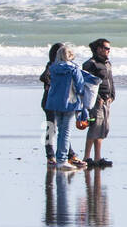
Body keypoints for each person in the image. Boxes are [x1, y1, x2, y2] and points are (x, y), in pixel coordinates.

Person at [43, 44, 90, 171]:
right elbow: (80, 87)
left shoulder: (53, 68)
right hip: (69, 102)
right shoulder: (73, 69)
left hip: (54, 103)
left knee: (58, 130)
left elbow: (48, 81)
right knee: (66, 132)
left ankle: (58, 158)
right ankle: (62, 159)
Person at [81, 38, 115, 168]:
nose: (108, 51)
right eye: (106, 48)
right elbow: (88, 84)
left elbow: (110, 81)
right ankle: (87, 157)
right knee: (94, 126)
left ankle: (98, 157)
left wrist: (112, 95)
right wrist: (97, 98)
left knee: (102, 128)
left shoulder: (107, 63)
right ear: (99, 49)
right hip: (96, 100)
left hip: (107, 99)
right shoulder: (90, 64)